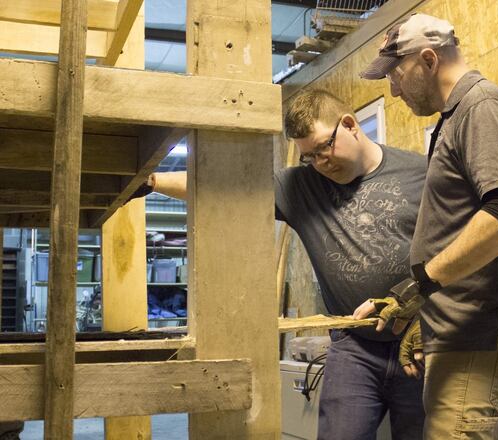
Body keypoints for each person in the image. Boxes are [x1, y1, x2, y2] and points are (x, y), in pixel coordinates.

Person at [131, 90, 427, 440]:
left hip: (420, 339)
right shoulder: (302, 187)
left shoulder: (421, 173)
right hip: (354, 346)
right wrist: (152, 182)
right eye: (309, 157)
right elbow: (227, 184)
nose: (320, 163)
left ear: (349, 125)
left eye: (324, 148)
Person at [353, 13, 498, 440]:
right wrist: (429, 318)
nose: (393, 88)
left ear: (427, 59)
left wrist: (418, 288)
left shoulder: (483, 106)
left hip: (481, 343)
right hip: (467, 341)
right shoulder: (456, 116)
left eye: (395, 73)